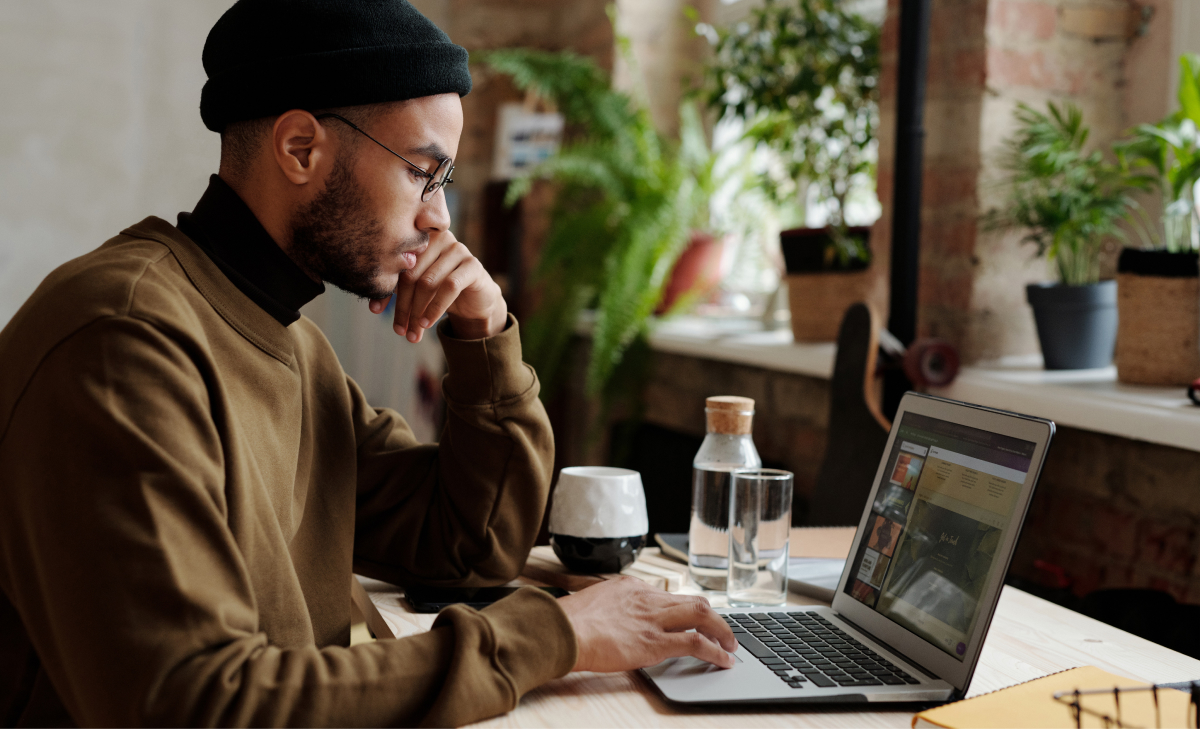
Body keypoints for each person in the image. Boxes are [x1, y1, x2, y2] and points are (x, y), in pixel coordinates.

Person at [0, 1, 736, 726]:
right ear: (299, 149)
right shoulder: (124, 342)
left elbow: (468, 547)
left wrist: (484, 334)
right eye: (423, 171)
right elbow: (197, 701)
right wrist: (560, 635)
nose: (440, 217)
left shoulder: (290, 343)